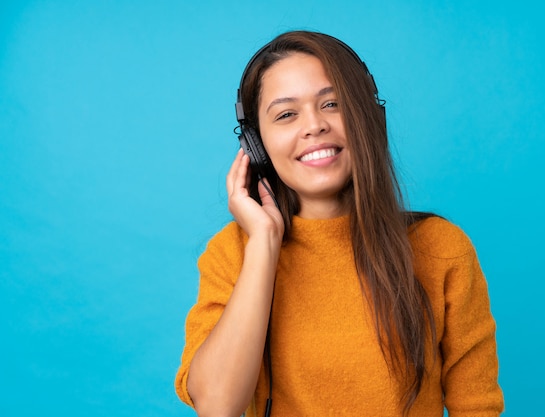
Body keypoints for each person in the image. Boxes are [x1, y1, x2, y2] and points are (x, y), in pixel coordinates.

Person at [175, 30, 504, 417]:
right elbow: (217, 407)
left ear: (369, 119)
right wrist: (264, 242)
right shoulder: (233, 253)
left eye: (332, 104)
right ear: (255, 145)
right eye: (286, 114)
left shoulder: (441, 248)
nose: (314, 126)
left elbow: (476, 408)